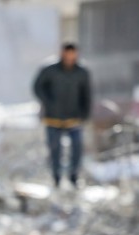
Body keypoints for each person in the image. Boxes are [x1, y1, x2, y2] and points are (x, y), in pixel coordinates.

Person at [33, 43, 92, 188]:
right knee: (55, 150)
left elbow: (87, 94)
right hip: (53, 118)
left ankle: (73, 176)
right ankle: (56, 178)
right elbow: (37, 86)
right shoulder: (50, 70)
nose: (70, 57)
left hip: (74, 118)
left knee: (77, 149)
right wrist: (48, 102)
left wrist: (85, 114)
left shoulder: (81, 72)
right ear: (62, 53)